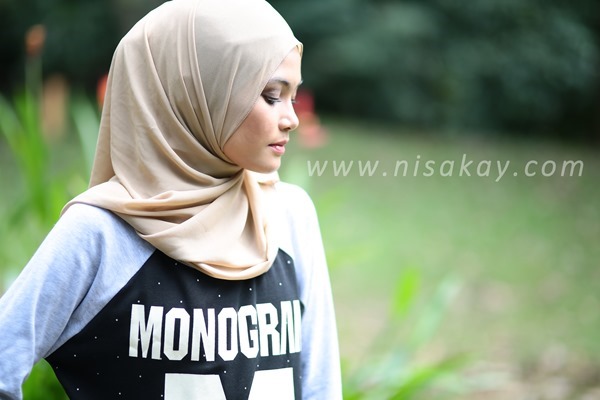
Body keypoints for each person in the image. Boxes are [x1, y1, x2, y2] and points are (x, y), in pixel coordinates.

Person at [0, 0, 342, 398]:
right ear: (199, 94)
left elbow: (320, 387)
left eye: (292, 97)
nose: (292, 119)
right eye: (270, 95)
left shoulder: (290, 214)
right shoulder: (100, 232)